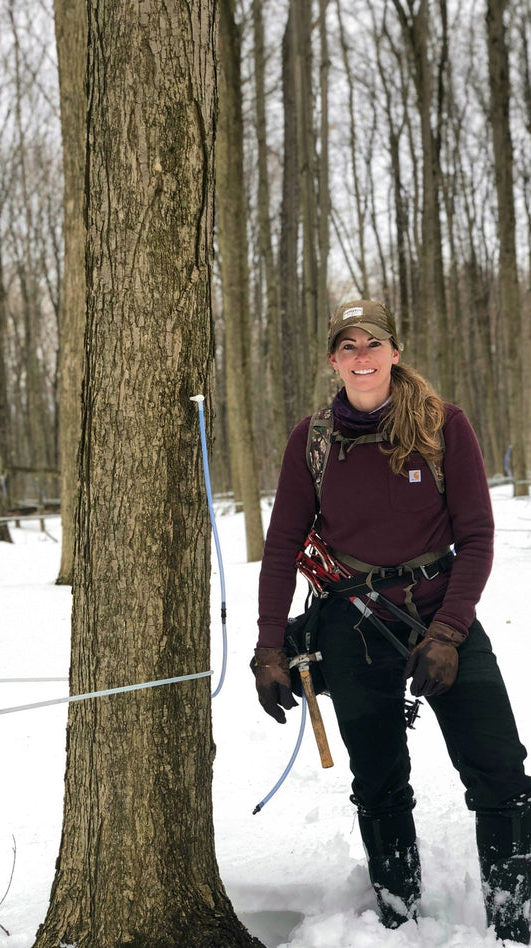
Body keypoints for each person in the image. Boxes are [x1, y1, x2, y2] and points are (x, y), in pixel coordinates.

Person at [251, 299, 531, 943]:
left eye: (372, 343)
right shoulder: (313, 440)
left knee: (501, 772)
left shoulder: (442, 425)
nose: (362, 357)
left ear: (395, 352)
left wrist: (450, 633)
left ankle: (513, 927)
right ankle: (397, 923)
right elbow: (280, 547)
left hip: (441, 610)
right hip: (350, 622)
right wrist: (270, 650)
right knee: (377, 781)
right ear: (333, 360)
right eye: (347, 346)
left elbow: (480, 539)